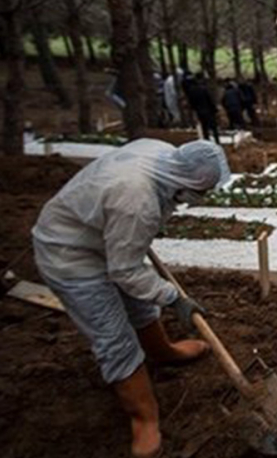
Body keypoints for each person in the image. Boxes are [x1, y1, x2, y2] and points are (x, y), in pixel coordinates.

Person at [31, 139, 231, 458]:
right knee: (114, 335)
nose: (202, 199)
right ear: (187, 183)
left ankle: (162, 351)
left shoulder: (162, 153)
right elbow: (124, 271)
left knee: (140, 302)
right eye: (202, 193)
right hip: (70, 253)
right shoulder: (137, 202)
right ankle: (144, 417)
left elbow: (128, 264)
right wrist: (173, 298)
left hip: (98, 231)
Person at [185, 75, 220, 144]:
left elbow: (191, 103)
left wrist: (194, 111)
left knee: (204, 127)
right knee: (213, 127)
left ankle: (207, 141)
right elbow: (209, 100)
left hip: (199, 111)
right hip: (208, 110)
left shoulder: (191, 92)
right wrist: (215, 109)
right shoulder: (203, 89)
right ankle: (217, 141)